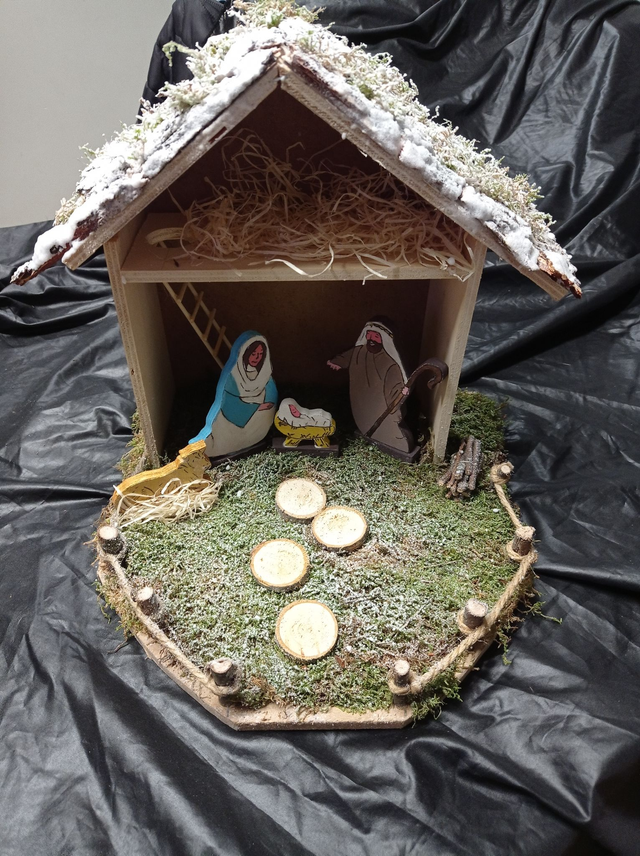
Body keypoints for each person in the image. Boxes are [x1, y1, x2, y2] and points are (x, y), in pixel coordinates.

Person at [328, 317, 415, 455]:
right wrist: (337, 362)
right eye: (369, 335)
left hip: (380, 408)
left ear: (384, 339)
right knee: (364, 418)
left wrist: (401, 393)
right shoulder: (359, 351)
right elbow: (347, 357)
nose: (371, 339)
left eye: (376, 336)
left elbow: (395, 392)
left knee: (399, 440)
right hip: (361, 404)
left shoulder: (390, 364)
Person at [191, 331, 277, 458]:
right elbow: (229, 403)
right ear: (245, 353)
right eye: (253, 354)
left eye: (260, 354)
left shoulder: (265, 376)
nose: (257, 358)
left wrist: (264, 407)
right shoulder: (233, 378)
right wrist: (256, 407)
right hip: (232, 422)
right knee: (218, 435)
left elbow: (271, 397)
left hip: (259, 425)